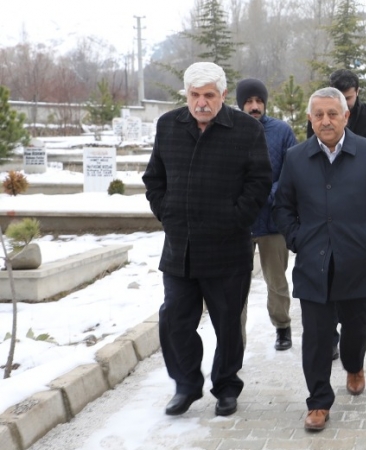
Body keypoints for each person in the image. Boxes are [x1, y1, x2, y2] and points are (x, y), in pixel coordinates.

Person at [143, 62, 271, 418]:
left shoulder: (245, 129)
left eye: (209, 95)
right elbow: (154, 178)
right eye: (195, 95)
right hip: (180, 249)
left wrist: (234, 219)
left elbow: (260, 182)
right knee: (174, 320)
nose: (201, 102)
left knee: (228, 324)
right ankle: (185, 385)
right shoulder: (169, 125)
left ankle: (226, 386)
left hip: (227, 249)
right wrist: (168, 213)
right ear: (186, 95)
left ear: (223, 95)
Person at [273, 87, 366, 432]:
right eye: (319, 115)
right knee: (316, 335)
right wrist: (297, 239)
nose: (325, 121)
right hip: (313, 261)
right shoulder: (296, 157)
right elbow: (283, 206)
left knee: (357, 328)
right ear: (310, 119)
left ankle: (354, 365)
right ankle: (318, 401)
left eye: (332, 114)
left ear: (346, 116)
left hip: (357, 259)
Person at [308, 69, 366, 342]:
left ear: (357, 93)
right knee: (329, 267)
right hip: (330, 204)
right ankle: (332, 332)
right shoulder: (321, 117)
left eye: (348, 98)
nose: (343, 102)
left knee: (365, 263)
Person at [236, 78, 298, 352]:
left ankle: (282, 326)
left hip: (272, 220)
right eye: (249, 101)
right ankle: (235, 340)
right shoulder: (229, 130)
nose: (254, 106)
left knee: (276, 281)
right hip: (238, 222)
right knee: (236, 285)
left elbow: (292, 171)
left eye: (259, 101)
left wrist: (265, 194)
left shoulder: (281, 132)